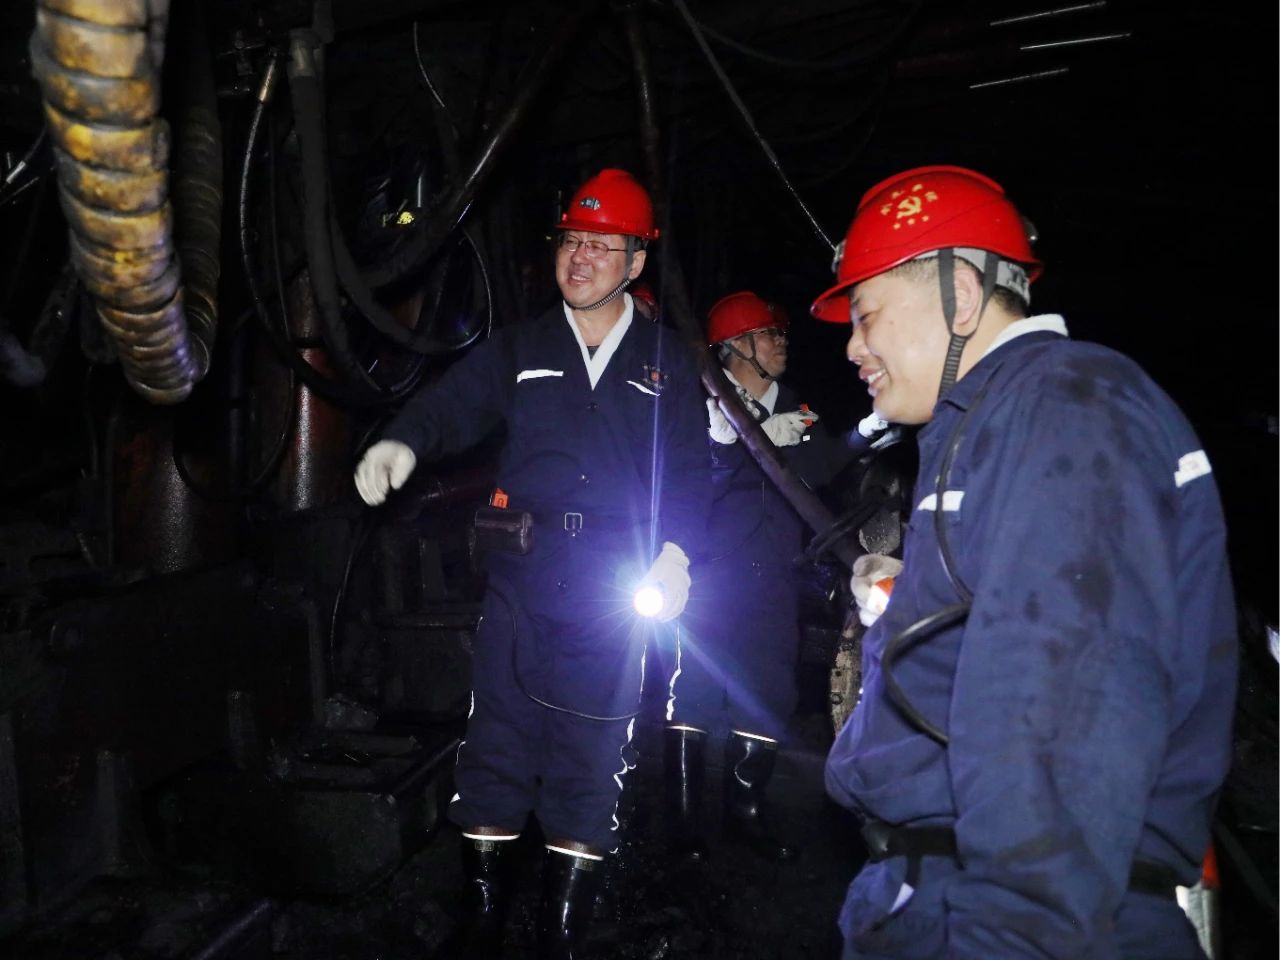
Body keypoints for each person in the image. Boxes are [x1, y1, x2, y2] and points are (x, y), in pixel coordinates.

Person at [809, 164, 1237, 959]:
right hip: (936, 897)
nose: (853, 346)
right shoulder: (989, 425)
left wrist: (1011, 933)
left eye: (866, 316)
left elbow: (1059, 726)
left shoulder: (1068, 407)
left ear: (961, 298)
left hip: (1001, 917)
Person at [353, 168, 710, 957]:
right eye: (571, 240)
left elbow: (690, 468)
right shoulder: (521, 348)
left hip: (616, 583)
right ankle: (481, 922)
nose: (580, 257)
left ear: (636, 261)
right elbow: (453, 404)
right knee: (498, 741)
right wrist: (403, 439)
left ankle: (562, 931)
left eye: (601, 245)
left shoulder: (666, 362)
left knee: (592, 750)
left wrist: (678, 552)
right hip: (521, 574)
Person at [662, 290, 841, 863]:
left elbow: (821, 467)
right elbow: (686, 485)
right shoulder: (700, 408)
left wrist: (866, 433)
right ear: (736, 346)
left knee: (768, 690)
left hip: (774, 575)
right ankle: (683, 823)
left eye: (781, 333)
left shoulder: (799, 409)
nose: (781, 342)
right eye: (769, 334)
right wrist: (729, 446)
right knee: (693, 687)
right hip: (710, 575)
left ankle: (747, 816)